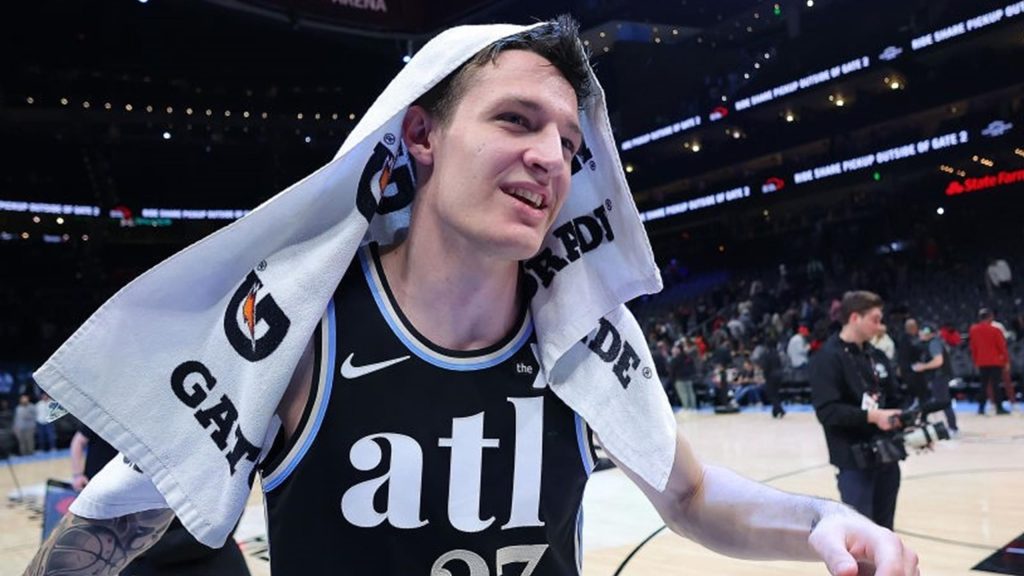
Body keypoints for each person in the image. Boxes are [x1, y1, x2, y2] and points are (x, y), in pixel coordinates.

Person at [26, 18, 918, 576]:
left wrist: (824, 520)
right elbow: (100, 537)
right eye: (516, 120)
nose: (551, 157)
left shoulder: (586, 334)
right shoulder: (297, 334)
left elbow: (687, 496)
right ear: (421, 134)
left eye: (569, 143)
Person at [69, 426, 252, 576]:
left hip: (204, 563)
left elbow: (217, 528)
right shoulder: (133, 455)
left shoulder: (216, 457)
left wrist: (141, 548)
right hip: (146, 561)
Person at [810, 291, 906, 530]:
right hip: (854, 462)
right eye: (874, 319)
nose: (879, 325)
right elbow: (828, 412)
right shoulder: (827, 358)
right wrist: (873, 417)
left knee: (885, 532)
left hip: (887, 457)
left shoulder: (878, 356)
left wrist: (909, 425)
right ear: (855, 318)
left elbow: (895, 400)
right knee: (861, 533)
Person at [911, 325, 958, 434]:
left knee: (943, 402)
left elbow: (938, 361)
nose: (920, 334)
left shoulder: (934, 343)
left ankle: (952, 427)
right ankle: (925, 418)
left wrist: (923, 366)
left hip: (940, 376)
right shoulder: (932, 342)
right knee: (943, 401)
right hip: (939, 376)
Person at [969, 308, 1010, 415]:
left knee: (983, 385)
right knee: (996, 385)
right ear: (990, 317)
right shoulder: (995, 330)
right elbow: (1002, 347)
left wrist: (975, 361)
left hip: (982, 361)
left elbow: (973, 347)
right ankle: (999, 408)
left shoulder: (973, 330)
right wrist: (1006, 361)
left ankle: (981, 408)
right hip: (995, 361)